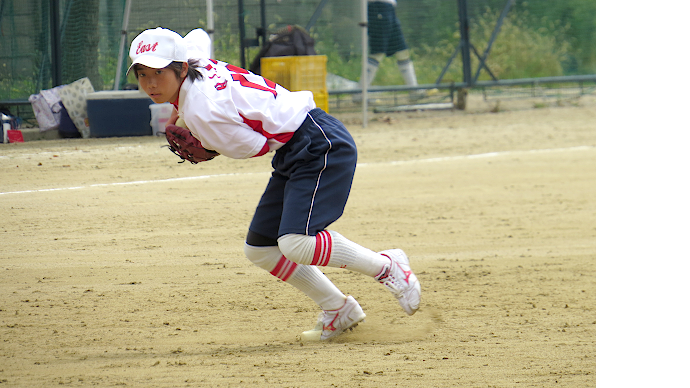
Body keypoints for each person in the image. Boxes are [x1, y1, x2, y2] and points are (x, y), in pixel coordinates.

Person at [127, 27, 421, 341]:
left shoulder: (202, 111)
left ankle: (387, 266)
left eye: (159, 72)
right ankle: (338, 309)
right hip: (297, 146)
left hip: (318, 143)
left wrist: (206, 142)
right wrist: (192, 123)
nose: (151, 83)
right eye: (142, 74)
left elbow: (254, 147)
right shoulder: (194, 56)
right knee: (261, 249)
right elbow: (199, 35)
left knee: (296, 242)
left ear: (182, 67)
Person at [364, 0, 421, 97]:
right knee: (378, 52)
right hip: (378, 6)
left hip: (389, 7)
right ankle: (359, 92)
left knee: (402, 51)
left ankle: (414, 90)